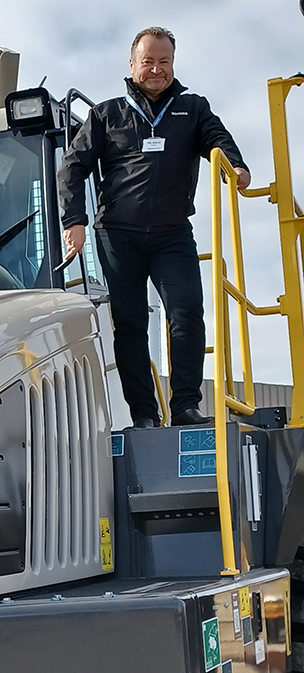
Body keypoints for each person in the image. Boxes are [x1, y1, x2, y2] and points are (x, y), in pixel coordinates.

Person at [57, 27, 251, 428]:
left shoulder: (191, 108)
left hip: (171, 233)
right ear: (132, 65)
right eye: (148, 61)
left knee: (186, 314)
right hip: (118, 234)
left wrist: (236, 164)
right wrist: (74, 221)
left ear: (173, 65)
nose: (157, 69)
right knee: (130, 325)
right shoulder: (107, 114)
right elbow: (73, 167)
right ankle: (144, 414)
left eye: (164, 62)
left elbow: (217, 138)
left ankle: (185, 406)